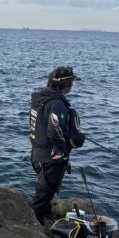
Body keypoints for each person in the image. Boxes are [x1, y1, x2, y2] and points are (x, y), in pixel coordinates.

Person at [30, 66, 85, 224]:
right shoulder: (56, 104)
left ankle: (43, 213)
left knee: (44, 189)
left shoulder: (40, 99)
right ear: (63, 85)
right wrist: (60, 150)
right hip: (49, 157)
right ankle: (37, 222)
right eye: (70, 83)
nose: (72, 86)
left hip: (37, 153)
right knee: (45, 191)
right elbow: (54, 131)